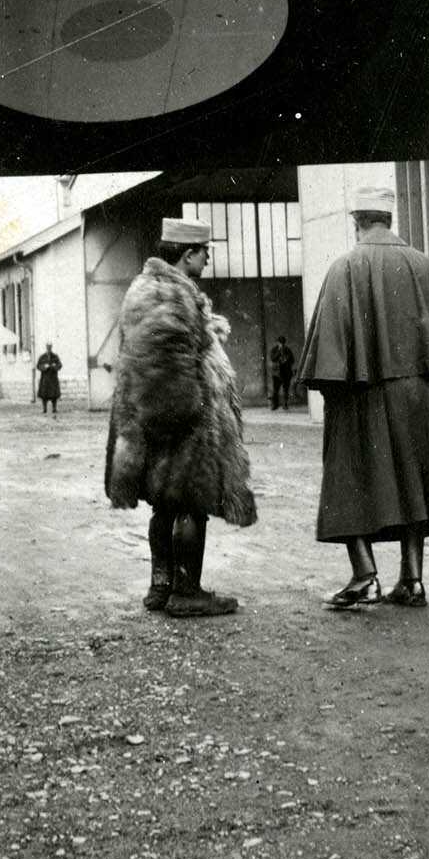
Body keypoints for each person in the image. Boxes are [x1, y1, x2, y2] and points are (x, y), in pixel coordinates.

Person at [296, 186, 429, 611]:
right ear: (389, 220)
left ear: (356, 221)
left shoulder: (343, 268)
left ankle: (365, 576)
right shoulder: (424, 265)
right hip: (416, 396)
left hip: (360, 394)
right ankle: (412, 580)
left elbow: (327, 353)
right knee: (414, 482)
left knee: (348, 479)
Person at [105, 217, 256, 618]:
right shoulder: (173, 294)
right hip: (180, 421)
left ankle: (161, 588)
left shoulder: (146, 288)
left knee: (164, 505)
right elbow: (168, 362)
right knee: (190, 502)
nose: (207, 260)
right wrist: (192, 411)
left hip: (150, 416)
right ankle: (187, 592)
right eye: (204, 253)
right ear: (188, 254)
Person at [269, 334, 296, 411]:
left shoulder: (287, 350)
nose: (281, 344)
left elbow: (292, 360)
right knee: (275, 390)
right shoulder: (274, 350)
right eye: (280, 342)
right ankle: (275, 405)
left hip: (286, 373)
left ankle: (285, 405)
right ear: (277, 342)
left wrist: (286, 360)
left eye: (283, 343)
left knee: (286, 389)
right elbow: (272, 358)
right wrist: (279, 352)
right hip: (276, 373)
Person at [36, 342, 63, 415]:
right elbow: (38, 366)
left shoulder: (55, 356)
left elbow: (60, 365)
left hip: (53, 378)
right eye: (48, 347)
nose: (49, 348)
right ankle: (44, 408)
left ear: (51, 347)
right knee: (44, 394)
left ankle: (54, 408)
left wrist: (54, 366)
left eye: (50, 347)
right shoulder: (42, 357)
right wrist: (44, 367)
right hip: (45, 378)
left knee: (54, 395)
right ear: (46, 347)